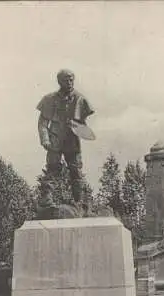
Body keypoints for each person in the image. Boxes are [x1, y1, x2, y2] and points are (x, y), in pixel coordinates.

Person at [36, 69, 94, 207]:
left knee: (76, 171)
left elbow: (82, 124)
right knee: (52, 169)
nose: (69, 83)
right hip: (55, 139)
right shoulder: (49, 99)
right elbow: (42, 123)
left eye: (71, 80)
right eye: (66, 80)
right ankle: (46, 200)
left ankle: (78, 202)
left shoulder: (80, 99)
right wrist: (45, 139)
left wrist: (81, 128)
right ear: (59, 81)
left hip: (72, 140)